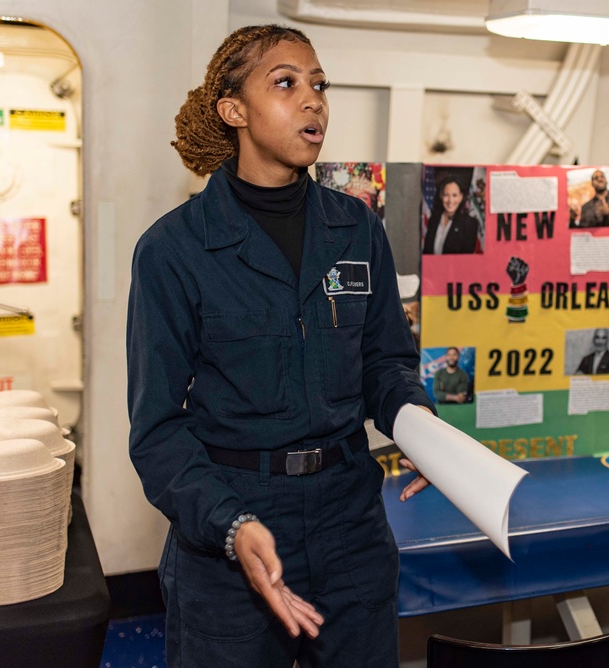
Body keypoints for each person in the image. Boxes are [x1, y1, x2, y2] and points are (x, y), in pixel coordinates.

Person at [126, 25, 436, 668]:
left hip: (349, 519)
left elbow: (387, 362)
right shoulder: (174, 250)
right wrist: (230, 525)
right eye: (287, 83)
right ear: (234, 110)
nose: (313, 100)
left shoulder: (355, 228)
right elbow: (157, 429)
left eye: (319, 84)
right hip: (232, 522)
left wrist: (420, 426)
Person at [422, 176, 479, 254]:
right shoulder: (433, 220)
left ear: (461, 197)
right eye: (446, 195)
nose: (450, 200)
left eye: (454, 195)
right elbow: (427, 252)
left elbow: (466, 261)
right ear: (441, 196)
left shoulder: (470, 224)